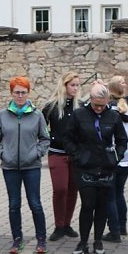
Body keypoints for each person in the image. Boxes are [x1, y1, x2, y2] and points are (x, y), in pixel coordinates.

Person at [61, 82, 128, 254]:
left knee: (102, 206)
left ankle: (98, 240)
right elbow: (67, 138)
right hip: (85, 166)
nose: (99, 108)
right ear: (90, 100)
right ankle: (83, 241)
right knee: (88, 205)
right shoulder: (79, 115)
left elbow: (122, 140)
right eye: (96, 104)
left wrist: (117, 156)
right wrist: (77, 155)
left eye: (102, 105)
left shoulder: (113, 116)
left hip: (106, 166)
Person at [0, 76, 50, 254]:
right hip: (10, 167)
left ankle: (41, 238)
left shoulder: (37, 115)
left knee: (35, 203)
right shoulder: (2, 115)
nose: (20, 96)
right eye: (17, 92)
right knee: (14, 204)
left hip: (31, 167)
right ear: (11, 93)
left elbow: (45, 139)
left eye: (23, 92)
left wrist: (36, 154)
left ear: (28, 93)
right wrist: (1, 154)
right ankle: (17, 239)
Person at [42, 72, 81, 241]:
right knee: (60, 189)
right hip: (57, 153)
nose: (75, 88)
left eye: (78, 85)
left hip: (76, 155)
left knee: (73, 189)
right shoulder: (51, 106)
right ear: (64, 85)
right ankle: (58, 225)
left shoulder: (81, 107)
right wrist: (47, 140)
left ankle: (66, 224)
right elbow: (40, 127)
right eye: (72, 85)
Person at [103, 75, 128, 242]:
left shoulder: (110, 110)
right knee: (119, 194)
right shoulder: (127, 108)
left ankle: (114, 230)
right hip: (126, 157)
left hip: (112, 156)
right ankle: (122, 226)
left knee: (110, 195)